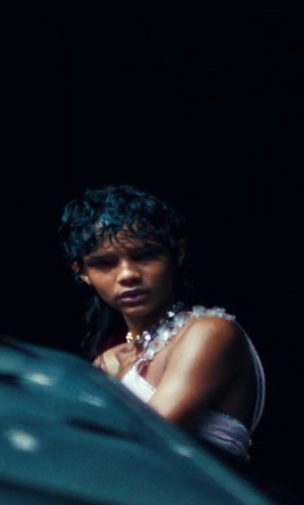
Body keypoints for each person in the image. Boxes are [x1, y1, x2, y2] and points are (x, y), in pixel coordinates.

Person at [60, 184, 265, 463]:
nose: (128, 274)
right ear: (82, 272)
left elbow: (146, 441)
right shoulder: (107, 361)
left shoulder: (209, 332)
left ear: (177, 254)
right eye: (105, 263)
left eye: (144, 255)